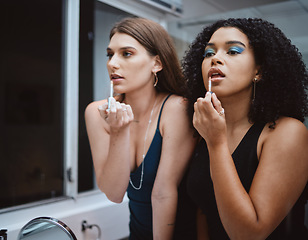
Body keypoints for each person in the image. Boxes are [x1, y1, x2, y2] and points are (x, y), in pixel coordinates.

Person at [182, 18, 308, 239]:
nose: (215, 59)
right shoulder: (204, 129)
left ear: (259, 71)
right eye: (208, 54)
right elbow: (203, 210)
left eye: (232, 51)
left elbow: (248, 234)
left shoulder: (287, 132)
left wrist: (216, 142)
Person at [85, 17, 196, 240]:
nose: (112, 63)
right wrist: (119, 131)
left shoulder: (176, 108)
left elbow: (163, 193)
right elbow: (114, 193)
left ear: (157, 63)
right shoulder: (97, 113)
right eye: (110, 54)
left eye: (126, 53)